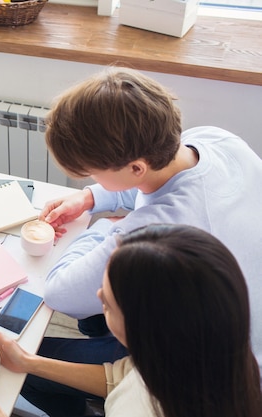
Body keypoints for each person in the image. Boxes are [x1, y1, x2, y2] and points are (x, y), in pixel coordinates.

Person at [17, 66, 262, 415]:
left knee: (31, 360)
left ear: (134, 169)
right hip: (228, 312)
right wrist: (91, 198)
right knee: (96, 314)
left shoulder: (156, 231)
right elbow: (156, 186)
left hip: (223, 369)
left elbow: (59, 293)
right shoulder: (214, 140)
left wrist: (105, 228)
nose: (90, 178)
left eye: (92, 172)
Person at [0, 224, 262, 417]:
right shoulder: (204, 352)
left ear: (146, 330)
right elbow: (121, 378)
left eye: (107, 302)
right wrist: (28, 362)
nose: (97, 298)